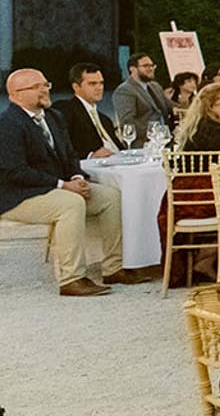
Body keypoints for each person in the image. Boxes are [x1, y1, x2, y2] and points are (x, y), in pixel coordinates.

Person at [0, 67, 132, 294]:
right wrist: (63, 185)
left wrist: (77, 177)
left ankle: (113, 268)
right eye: (36, 87)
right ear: (16, 94)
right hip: (17, 196)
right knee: (70, 204)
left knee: (110, 196)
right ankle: (72, 279)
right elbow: (15, 172)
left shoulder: (53, 117)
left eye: (45, 85)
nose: (44, 90)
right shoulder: (8, 124)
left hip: (56, 187)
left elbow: (69, 155)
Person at [55, 62, 122, 157]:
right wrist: (90, 155)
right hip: (91, 167)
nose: (99, 88)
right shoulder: (66, 109)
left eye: (101, 83)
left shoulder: (105, 120)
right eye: (92, 84)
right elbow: (61, 146)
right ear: (76, 87)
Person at [109, 53, 176, 140]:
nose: (151, 68)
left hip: (166, 138)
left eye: (152, 66)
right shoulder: (124, 91)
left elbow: (170, 106)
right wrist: (156, 132)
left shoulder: (155, 86)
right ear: (132, 69)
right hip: (143, 143)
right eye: (146, 66)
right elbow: (128, 123)